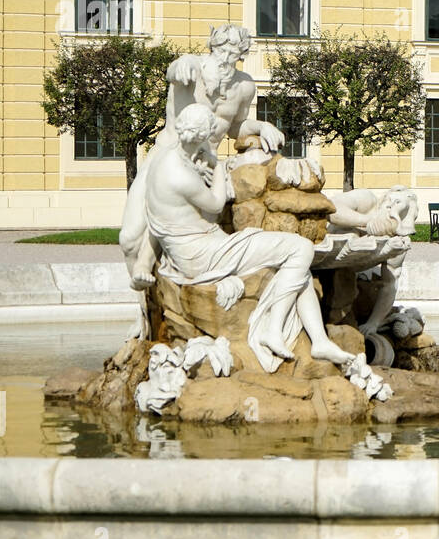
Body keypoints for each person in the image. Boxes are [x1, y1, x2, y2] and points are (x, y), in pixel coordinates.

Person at [144, 103, 365, 377]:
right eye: (208, 139)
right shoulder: (180, 175)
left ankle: (319, 342)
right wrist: (218, 168)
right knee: (301, 248)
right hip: (203, 255)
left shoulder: (166, 159)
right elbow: (215, 204)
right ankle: (272, 331)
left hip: (193, 250)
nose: (209, 145)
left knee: (299, 271)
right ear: (200, 137)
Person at [119, 24, 285, 290]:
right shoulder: (191, 67)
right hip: (165, 158)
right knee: (128, 239)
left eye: (234, 51)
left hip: (205, 165)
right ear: (213, 46)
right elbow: (173, 72)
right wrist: (181, 64)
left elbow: (235, 127)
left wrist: (261, 126)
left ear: (242, 53)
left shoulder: (244, 87)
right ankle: (144, 309)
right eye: (222, 49)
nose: (227, 57)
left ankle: (165, 309)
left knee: (190, 241)